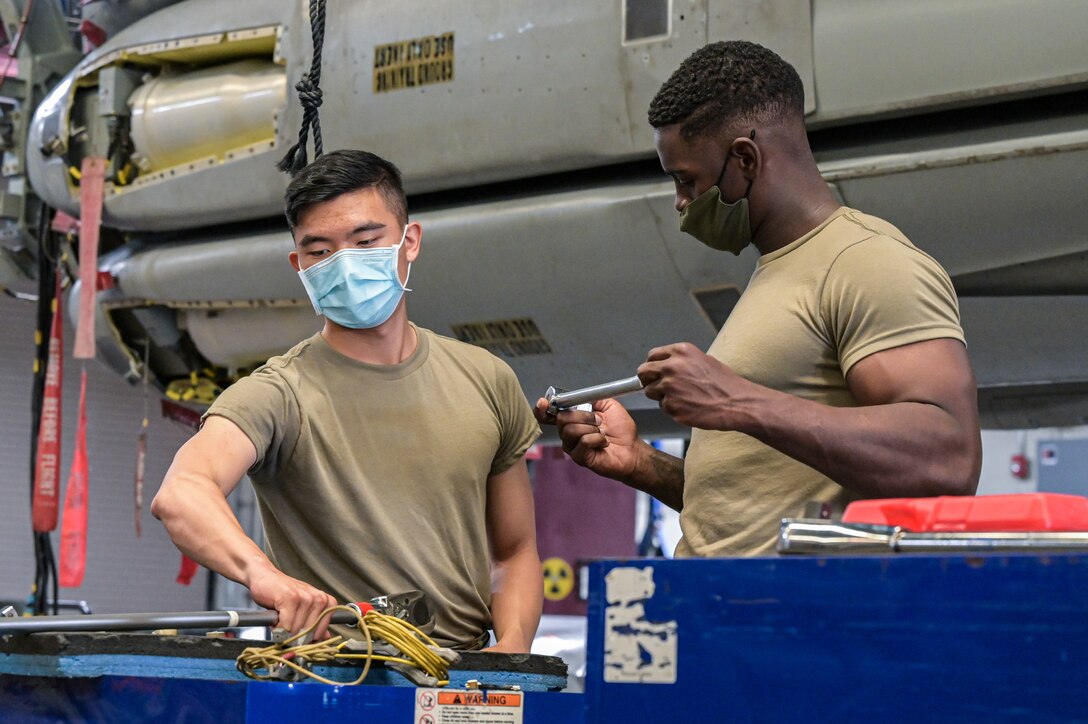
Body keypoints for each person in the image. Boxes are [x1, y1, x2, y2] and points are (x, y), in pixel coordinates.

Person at [537, 41, 981, 556]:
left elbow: (948, 460)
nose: (681, 203)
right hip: (723, 611)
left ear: (745, 158)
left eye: (687, 180)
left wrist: (733, 399)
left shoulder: (866, 261)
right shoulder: (777, 273)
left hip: (797, 624)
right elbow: (757, 508)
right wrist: (640, 462)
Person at [152, 150, 543, 651]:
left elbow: (514, 551)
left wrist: (510, 654)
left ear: (410, 242)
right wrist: (261, 573)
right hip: (334, 669)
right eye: (320, 251)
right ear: (299, 265)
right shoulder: (279, 394)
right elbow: (182, 492)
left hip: (462, 676)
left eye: (365, 241)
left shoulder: (486, 379)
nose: (345, 264)